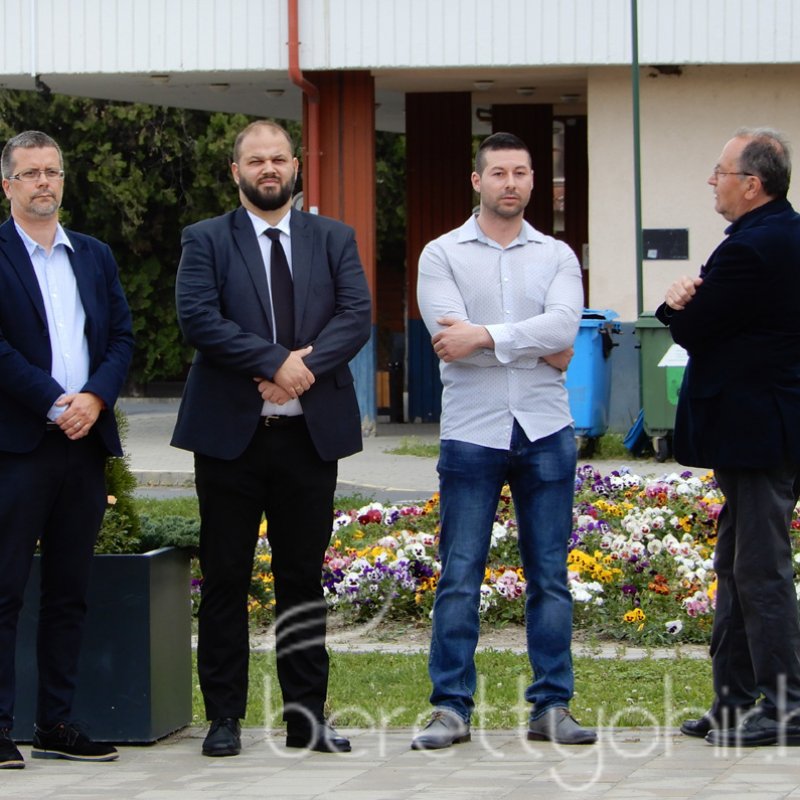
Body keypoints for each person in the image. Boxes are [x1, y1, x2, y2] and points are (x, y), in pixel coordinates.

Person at [171, 120, 371, 757]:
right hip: (230, 439)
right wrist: (273, 362)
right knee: (225, 578)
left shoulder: (333, 238)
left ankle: (305, 719)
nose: (268, 169)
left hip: (308, 438)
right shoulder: (206, 239)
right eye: (255, 160)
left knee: (302, 579)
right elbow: (198, 318)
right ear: (236, 171)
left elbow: (356, 316)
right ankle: (224, 717)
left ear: (295, 166)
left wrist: (299, 372)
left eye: (278, 158)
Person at [412, 131, 596, 750]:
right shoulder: (441, 254)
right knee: (460, 574)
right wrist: (536, 344)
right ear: (477, 181)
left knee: (550, 576)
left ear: (533, 181)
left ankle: (552, 706)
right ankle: (450, 708)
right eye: (498, 173)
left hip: (546, 430)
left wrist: (485, 336)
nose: (510, 183)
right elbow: (450, 343)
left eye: (520, 172)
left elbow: (566, 328)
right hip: (472, 432)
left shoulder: (557, 256)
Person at [656, 127, 800, 747]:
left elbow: (695, 328)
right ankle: (734, 700)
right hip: (762, 433)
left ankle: (785, 707)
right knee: (737, 564)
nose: (712, 181)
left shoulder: (754, 247)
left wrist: (674, 303)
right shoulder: (775, 235)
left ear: (752, 184)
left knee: (760, 570)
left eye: (721, 171)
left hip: (758, 433)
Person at [0, 131, 134, 768]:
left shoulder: (94, 255)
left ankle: (55, 723)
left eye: (52, 171)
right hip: (18, 446)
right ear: (7, 185)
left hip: (84, 445)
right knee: (4, 590)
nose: (43, 183)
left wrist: (96, 398)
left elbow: (121, 337)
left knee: (69, 590)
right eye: (30, 173)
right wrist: (56, 400)